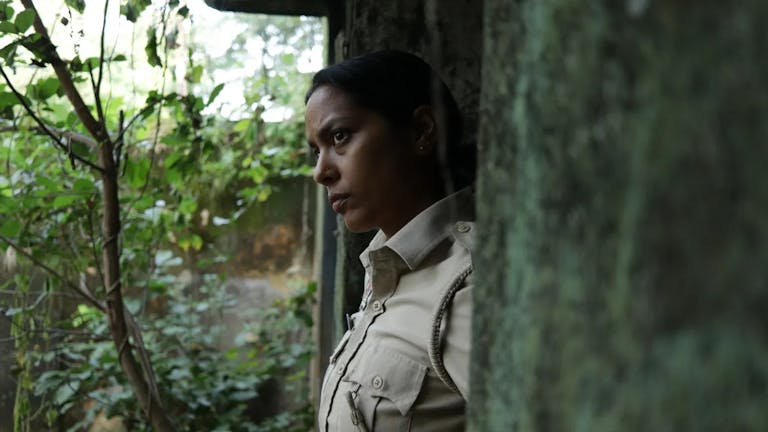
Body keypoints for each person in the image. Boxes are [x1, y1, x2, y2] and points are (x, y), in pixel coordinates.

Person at [305, 49, 476, 432]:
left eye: (340, 136)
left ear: (421, 130)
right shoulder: (385, 268)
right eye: (316, 151)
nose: (321, 171)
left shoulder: (469, 286)